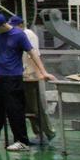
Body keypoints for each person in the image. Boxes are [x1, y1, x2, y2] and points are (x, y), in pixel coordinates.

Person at [0, 13, 56, 151]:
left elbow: (32, 53)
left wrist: (43, 72)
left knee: (15, 109)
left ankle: (21, 141)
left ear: (3, 25)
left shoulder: (19, 35)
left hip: (12, 77)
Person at [12, 15, 56, 144]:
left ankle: (49, 132)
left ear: (21, 25)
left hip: (32, 75)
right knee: (27, 107)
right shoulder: (15, 35)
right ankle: (38, 133)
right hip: (21, 74)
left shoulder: (29, 35)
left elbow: (33, 55)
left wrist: (39, 74)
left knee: (38, 106)